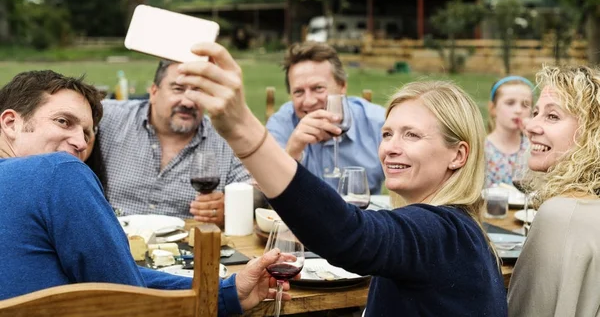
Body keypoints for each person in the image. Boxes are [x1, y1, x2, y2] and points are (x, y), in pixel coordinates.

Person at [176, 43, 507, 316]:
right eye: (388, 134)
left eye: (411, 135)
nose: (391, 148)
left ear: (458, 155)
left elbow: (348, 234)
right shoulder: (458, 229)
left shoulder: (443, 232)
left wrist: (242, 131)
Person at [0, 70, 290, 314]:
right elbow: (127, 299)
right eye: (64, 121)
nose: (80, 142)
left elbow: (112, 274)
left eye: (88, 134)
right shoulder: (58, 171)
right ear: (11, 122)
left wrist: (226, 292)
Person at [98, 59, 253, 226]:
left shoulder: (225, 140)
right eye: (178, 89)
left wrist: (229, 209)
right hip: (113, 242)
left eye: (198, 92)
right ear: (154, 92)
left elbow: (257, 192)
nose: (188, 102)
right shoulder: (110, 118)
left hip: (190, 248)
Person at [507, 66, 600, 316]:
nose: (530, 126)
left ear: (593, 132)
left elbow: (523, 310)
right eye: (535, 113)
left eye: (552, 116)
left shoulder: (564, 213)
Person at [266, 41, 386, 193]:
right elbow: (265, 191)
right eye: (298, 92)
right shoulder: (280, 125)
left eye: (318, 88)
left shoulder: (378, 123)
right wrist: (292, 152)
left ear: (342, 86)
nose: (309, 101)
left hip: (365, 215)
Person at [484, 76, 534, 188]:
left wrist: (533, 138)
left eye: (525, 105)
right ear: (493, 108)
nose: (518, 110)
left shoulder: (534, 148)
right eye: (510, 103)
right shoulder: (481, 149)